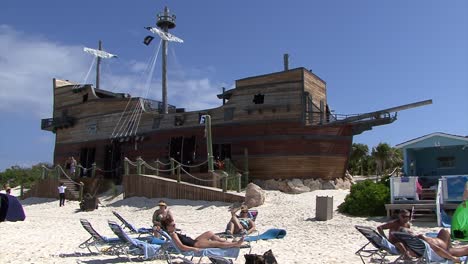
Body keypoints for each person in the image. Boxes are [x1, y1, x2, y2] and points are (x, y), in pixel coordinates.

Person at [160, 217, 245, 251]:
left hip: (194, 241)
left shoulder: (173, 232)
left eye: (174, 224)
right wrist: (194, 249)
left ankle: (228, 243)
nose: (175, 225)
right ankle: (235, 244)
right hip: (196, 245)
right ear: (168, 227)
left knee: (210, 233)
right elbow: (181, 247)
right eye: (173, 225)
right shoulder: (173, 235)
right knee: (216, 244)